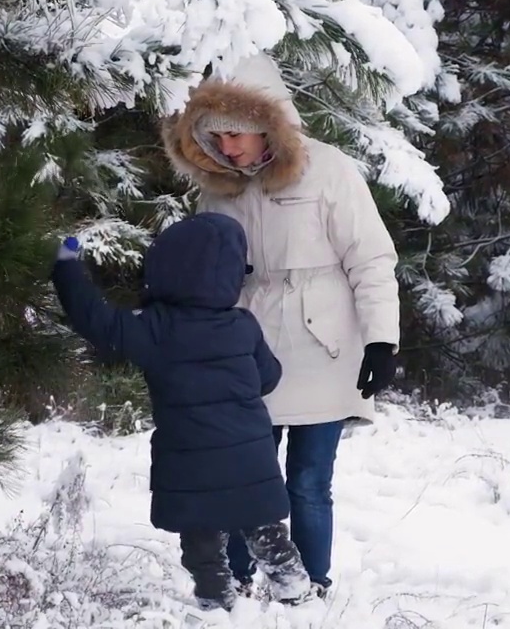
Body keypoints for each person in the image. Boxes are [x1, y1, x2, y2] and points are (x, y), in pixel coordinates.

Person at [160, 52, 400, 598]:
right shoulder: (216, 189)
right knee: (248, 480)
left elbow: (371, 259)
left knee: (310, 484)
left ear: (268, 125)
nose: (226, 147)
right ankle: (245, 583)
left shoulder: (329, 170)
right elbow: (203, 279)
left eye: (236, 135)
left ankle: (311, 587)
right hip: (248, 355)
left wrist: (382, 339)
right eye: (215, 136)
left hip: (326, 346)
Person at [50, 213, 318, 611]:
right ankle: (298, 597)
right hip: (249, 458)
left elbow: (99, 322)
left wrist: (67, 269)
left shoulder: (156, 329)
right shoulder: (242, 325)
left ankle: (217, 606)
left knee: (202, 543)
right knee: (266, 530)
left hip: (190, 462)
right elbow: (269, 377)